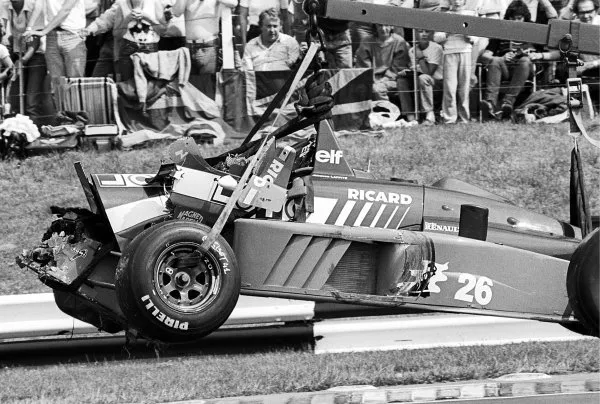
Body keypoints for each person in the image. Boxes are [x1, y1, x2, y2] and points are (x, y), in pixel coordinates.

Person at [479, 0, 540, 120]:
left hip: (525, 69)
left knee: (524, 61)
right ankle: (490, 103)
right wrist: (502, 57)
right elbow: (485, 56)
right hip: (506, 69)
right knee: (495, 60)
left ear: (525, 18)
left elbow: (545, 52)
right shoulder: (501, 31)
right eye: (512, 19)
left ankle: (508, 102)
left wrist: (533, 54)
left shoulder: (533, 30)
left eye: (519, 18)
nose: (515, 22)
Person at [83, 0, 168, 82]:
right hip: (126, 49)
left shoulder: (155, 3)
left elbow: (163, 30)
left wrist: (147, 17)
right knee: (127, 84)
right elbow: (110, 24)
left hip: (149, 50)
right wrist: (127, 19)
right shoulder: (121, 4)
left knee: (150, 83)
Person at [23, 0, 87, 103]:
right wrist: (29, 28)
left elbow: (65, 10)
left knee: (75, 84)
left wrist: (44, 31)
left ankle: (77, 118)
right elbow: (39, 5)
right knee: (57, 85)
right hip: (52, 36)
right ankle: (62, 117)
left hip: (73, 36)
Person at [0, 0, 45, 124]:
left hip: (36, 55)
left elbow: (35, 39)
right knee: (14, 100)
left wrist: (22, 60)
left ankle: (35, 136)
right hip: (17, 53)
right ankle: (19, 136)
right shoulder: (4, 5)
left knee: (32, 102)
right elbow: (2, 28)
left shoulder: (34, 5)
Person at [355, 24, 413, 120]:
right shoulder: (367, 41)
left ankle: (388, 116)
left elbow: (398, 67)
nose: (383, 29)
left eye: (386, 26)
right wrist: (372, 81)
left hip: (393, 79)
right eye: (379, 26)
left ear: (392, 27)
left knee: (378, 89)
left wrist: (384, 80)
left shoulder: (399, 42)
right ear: (375, 27)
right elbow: (364, 66)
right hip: (371, 79)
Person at [435, 0, 476, 124]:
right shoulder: (445, 15)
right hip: (449, 52)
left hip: (466, 52)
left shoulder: (470, 14)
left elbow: (476, 38)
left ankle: (464, 118)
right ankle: (449, 118)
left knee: (464, 87)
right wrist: (448, 31)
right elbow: (437, 37)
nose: (457, 2)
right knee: (450, 87)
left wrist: (468, 35)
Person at [171, 0, 237, 74]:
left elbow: (233, 3)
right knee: (190, 82)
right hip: (189, 46)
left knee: (208, 81)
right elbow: (176, 12)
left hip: (209, 45)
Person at [398, 29, 444, 125]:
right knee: (402, 80)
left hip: (437, 83)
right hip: (419, 82)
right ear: (415, 33)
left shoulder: (436, 48)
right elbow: (417, 70)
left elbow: (428, 73)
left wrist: (421, 57)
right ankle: (410, 117)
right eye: (420, 31)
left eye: (426, 31)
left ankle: (429, 116)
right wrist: (408, 72)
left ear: (431, 33)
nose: (423, 34)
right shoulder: (411, 50)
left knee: (423, 78)